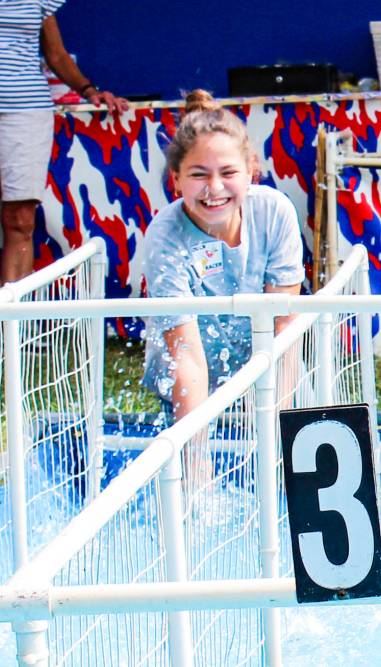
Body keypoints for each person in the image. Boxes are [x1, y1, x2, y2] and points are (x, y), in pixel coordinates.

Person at [0, 0, 127, 305]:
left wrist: (89, 89)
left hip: (29, 108)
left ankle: (11, 325)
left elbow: (55, 52)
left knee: (21, 218)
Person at [138, 91, 305, 421]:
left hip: (267, 371)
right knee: (196, 459)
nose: (214, 188)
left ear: (250, 172)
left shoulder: (274, 212)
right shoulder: (165, 235)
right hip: (188, 382)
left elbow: (283, 331)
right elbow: (186, 359)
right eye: (198, 174)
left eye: (228, 173)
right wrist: (196, 461)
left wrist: (281, 427)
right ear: (176, 180)